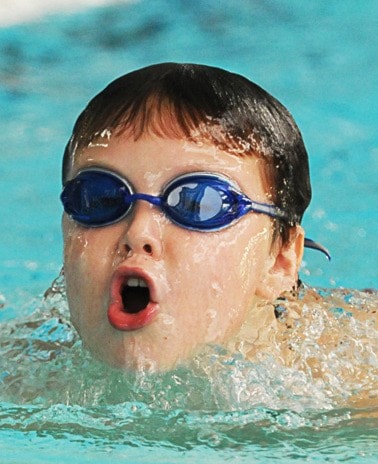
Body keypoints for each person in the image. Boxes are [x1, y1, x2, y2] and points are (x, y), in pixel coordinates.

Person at [60, 62, 331, 373]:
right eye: (100, 198)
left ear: (280, 260)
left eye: (198, 203)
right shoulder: (18, 378)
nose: (138, 233)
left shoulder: (372, 393)